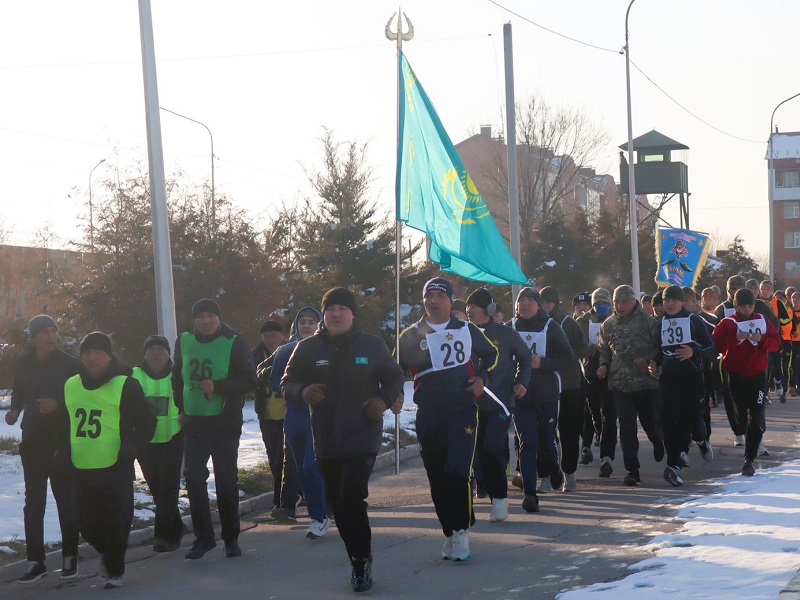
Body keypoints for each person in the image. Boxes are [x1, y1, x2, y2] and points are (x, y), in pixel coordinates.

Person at [283, 287, 405, 592]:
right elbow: (286, 381)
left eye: (342, 308)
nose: (336, 314)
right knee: (338, 503)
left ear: (353, 313)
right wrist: (303, 392)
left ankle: (360, 563)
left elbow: (394, 377)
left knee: (351, 498)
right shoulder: (308, 349)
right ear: (324, 315)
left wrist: (383, 399)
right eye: (330, 309)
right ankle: (358, 554)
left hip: (362, 435)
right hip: (326, 438)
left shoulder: (373, 346)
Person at [398, 277, 498, 562]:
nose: (434, 301)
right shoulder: (411, 335)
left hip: (462, 410)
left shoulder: (466, 330)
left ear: (450, 301)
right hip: (429, 413)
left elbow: (492, 355)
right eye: (429, 296)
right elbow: (396, 369)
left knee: (457, 470)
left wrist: (482, 378)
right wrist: (392, 393)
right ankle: (450, 530)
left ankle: (462, 530)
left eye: (440, 296)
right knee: (437, 475)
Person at [65, 332, 156, 589]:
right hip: (81, 465)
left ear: (108, 356)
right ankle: (110, 553)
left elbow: (147, 423)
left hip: (115, 465)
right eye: (87, 353)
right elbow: (65, 422)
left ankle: (115, 569)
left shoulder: (125, 384)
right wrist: (61, 449)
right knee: (85, 522)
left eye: (98, 352)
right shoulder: (71, 384)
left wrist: (132, 447)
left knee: (116, 521)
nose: (92, 358)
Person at [172, 299, 258, 560]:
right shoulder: (184, 340)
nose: (206, 320)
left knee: (226, 482)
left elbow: (249, 380)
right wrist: (181, 408)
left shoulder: (234, 341)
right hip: (194, 422)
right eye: (201, 316)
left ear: (219, 319)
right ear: (194, 320)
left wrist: (219, 386)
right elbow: (177, 376)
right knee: (195, 481)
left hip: (224, 423)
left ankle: (231, 538)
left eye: (211, 315)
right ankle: (203, 538)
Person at [7, 315, 80, 584]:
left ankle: (70, 555)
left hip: (61, 440)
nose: (51, 336)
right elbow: (19, 390)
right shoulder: (23, 363)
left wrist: (58, 405)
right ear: (34, 337)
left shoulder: (70, 364)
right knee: (33, 504)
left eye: (54, 331)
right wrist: (15, 409)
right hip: (33, 440)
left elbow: (82, 397)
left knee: (65, 500)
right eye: (45, 332)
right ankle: (36, 560)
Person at [465, 287, 531, 521]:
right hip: (469, 406)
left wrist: (521, 382)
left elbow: (525, 357)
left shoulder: (506, 334)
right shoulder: (464, 333)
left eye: (474, 306)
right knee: (474, 453)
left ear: (489, 309)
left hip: (500, 404)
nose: (469, 310)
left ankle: (500, 500)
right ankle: (474, 498)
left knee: (492, 449)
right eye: (468, 306)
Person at [509, 287, 574, 511]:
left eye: (530, 300)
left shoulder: (551, 327)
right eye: (521, 301)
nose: (525, 304)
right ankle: (530, 494)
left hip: (547, 394)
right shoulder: (511, 328)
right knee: (527, 443)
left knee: (547, 441)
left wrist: (542, 363)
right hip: (521, 396)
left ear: (538, 305)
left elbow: (568, 359)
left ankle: (555, 468)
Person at [270, 307, 330, 537]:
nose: (306, 326)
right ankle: (319, 510)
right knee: (301, 469)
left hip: (319, 415)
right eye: (302, 322)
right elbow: (277, 382)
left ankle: (319, 516)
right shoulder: (285, 351)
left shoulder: (325, 349)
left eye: (311, 322)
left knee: (310, 465)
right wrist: (299, 390)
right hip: (294, 415)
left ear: (319, 325)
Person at [597, 285, 664, 486]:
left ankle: (657, 440)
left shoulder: (648, 322)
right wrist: (603, 365)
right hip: (619, 384)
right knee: (626, 426)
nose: (619, 306)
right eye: (616, 302)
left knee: (650, 422)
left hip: (644, 383)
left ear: (633, 302)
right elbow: (604, 348)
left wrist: (650, 361)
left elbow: (659, 347)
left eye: (624, 302)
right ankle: (632, 470)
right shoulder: (608, 325)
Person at [649, 286, 717, 486]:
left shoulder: (694, 320)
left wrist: (693, 351)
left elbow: (711, 348)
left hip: (692, 377)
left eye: (673, 300)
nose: (669, 304)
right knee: (670, 420)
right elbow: (657, 350)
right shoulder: (659, 324)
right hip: (669, 379)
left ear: (682, 302)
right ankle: (674, 466)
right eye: (666, 300)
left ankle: (702, 439)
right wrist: (654, 363)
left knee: (693, 419)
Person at [712, 288, 780, 476]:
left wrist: (762, 339)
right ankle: (741, 432)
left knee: (756, 416)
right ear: (736, 305)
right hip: (735, 374)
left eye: (750, 305)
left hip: (758, 375)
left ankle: (749, 459)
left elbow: (776, 343)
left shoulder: (762, 320)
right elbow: (715, 345)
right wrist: (734, 338)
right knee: (740, 415)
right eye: (743, 306)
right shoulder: (728, 323)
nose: (747, 309)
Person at [132, 335, 184, 552]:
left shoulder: (178, 373)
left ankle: (161, 535)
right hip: (146, 439)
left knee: (169, 486)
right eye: (151, 349)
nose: (156, 353)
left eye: (160, 349)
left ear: (168, 353)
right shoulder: (133, 375)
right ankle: (177, 526)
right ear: (144, 353)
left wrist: (185, 413)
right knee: (156, 486)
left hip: (174, 435)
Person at [539, 286, 589, 492]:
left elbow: (584, 348)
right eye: (542, 302)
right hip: (544, 386)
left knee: (569, 431)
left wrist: (561, 356)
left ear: (556, 303)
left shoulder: (568, 323)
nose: (545, 306)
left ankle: (570, 473)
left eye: (548, 302)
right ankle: (547, 475)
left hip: (569, 385)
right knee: (546, 434)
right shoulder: (534, 324)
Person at [252, 320, 298, 515]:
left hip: (290, 414)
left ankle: (284, 498)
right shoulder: (255, 356)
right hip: (268, 415)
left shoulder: (291, 351)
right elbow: (250, 376)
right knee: (275, 458)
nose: (270, 339)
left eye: (273, 335)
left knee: (289, 459)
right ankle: (284, 497)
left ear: (283, 336)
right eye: (266, 335)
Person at [576, 288, 617, 473]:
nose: (601, 306)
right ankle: (595, 440)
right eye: (597, 303)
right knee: (592, 412)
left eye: (604, 303)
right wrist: (588, 350)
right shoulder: (582, 322)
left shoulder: (616, 319)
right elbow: (575, 347)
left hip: (612, 374)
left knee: (608, 413)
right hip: (590, 372)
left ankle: (606, 456)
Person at [760, 280, 792, 402]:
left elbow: (787, 319)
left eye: (768, 289)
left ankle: (778, 381)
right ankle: (765, 392)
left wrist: (777, 322)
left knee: (777, 364)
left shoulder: (777, 302)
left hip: (774, 337)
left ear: (772, 291)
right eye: (763, 288)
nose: (766, 291)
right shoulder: (757, 302)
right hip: (762, 338)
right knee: (765, 365)